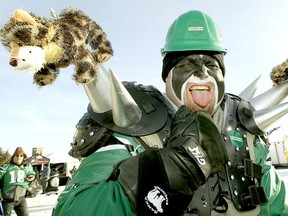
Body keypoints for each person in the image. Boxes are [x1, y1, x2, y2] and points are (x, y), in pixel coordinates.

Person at [53, 10, 288, 216]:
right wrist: (157, 177)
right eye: (187, 64)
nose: (202, 73)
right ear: (167, 76)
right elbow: (72, 208)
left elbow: (277, 205)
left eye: (212, 64)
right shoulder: (131, 130)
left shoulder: (244, 134)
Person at [0, 147, 35, 216]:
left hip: (21, 198)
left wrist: (31, 177)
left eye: (21, 155)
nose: (19, 157)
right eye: (17, 155)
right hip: (7, 199)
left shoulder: (26, 167)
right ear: (13, 157)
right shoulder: (6, 167)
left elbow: (32, 173)